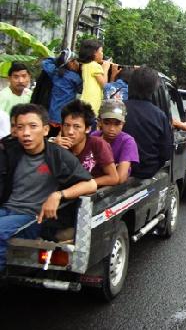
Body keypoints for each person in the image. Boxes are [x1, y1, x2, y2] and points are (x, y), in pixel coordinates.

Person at [0, 104, 96, 271]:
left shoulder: (57, 155)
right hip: (6, 210)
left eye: (33, 126)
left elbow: (91, 184)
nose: (26, 133)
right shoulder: (11, 150)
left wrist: (58, 195)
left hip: (31, 217)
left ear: (45, 130)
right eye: (20, 127)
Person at [55, 100, 119, 187]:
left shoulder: (97, 144)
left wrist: (84, 186)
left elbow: (113, 178)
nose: (70, 132)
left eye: (76, 126)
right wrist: (54, 151)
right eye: (66, 125)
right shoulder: (58, 146)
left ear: (87, 129)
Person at [123, 67, 172, 179]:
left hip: (117, 168)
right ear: (153, 89)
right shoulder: (159, 116)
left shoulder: (118, 109)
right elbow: (166, 154)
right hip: (147, 171)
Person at [91, 99, 139, 184]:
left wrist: (90, 183)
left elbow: (121, 177)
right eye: (107, 123)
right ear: (99, 122)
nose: (112, 129)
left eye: (117, 124)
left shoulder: (128, 142)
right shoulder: (94, 136)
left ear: (123, 124)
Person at [41, 50, 82, 135]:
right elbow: (80, 90)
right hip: (64, 117)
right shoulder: (75, 77)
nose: (78, 63)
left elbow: (45, 62)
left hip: (51, 115)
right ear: (71, 63)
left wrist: (58, 60)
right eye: (76, 61)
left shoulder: (55, 72)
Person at [78, 39, 111, 116]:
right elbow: (104, 85)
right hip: (92, 102)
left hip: (85, 100)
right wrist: (105, 69)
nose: (102, 54)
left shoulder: (86, 65)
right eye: (101, 51)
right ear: (94, 53)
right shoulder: (95, 66)